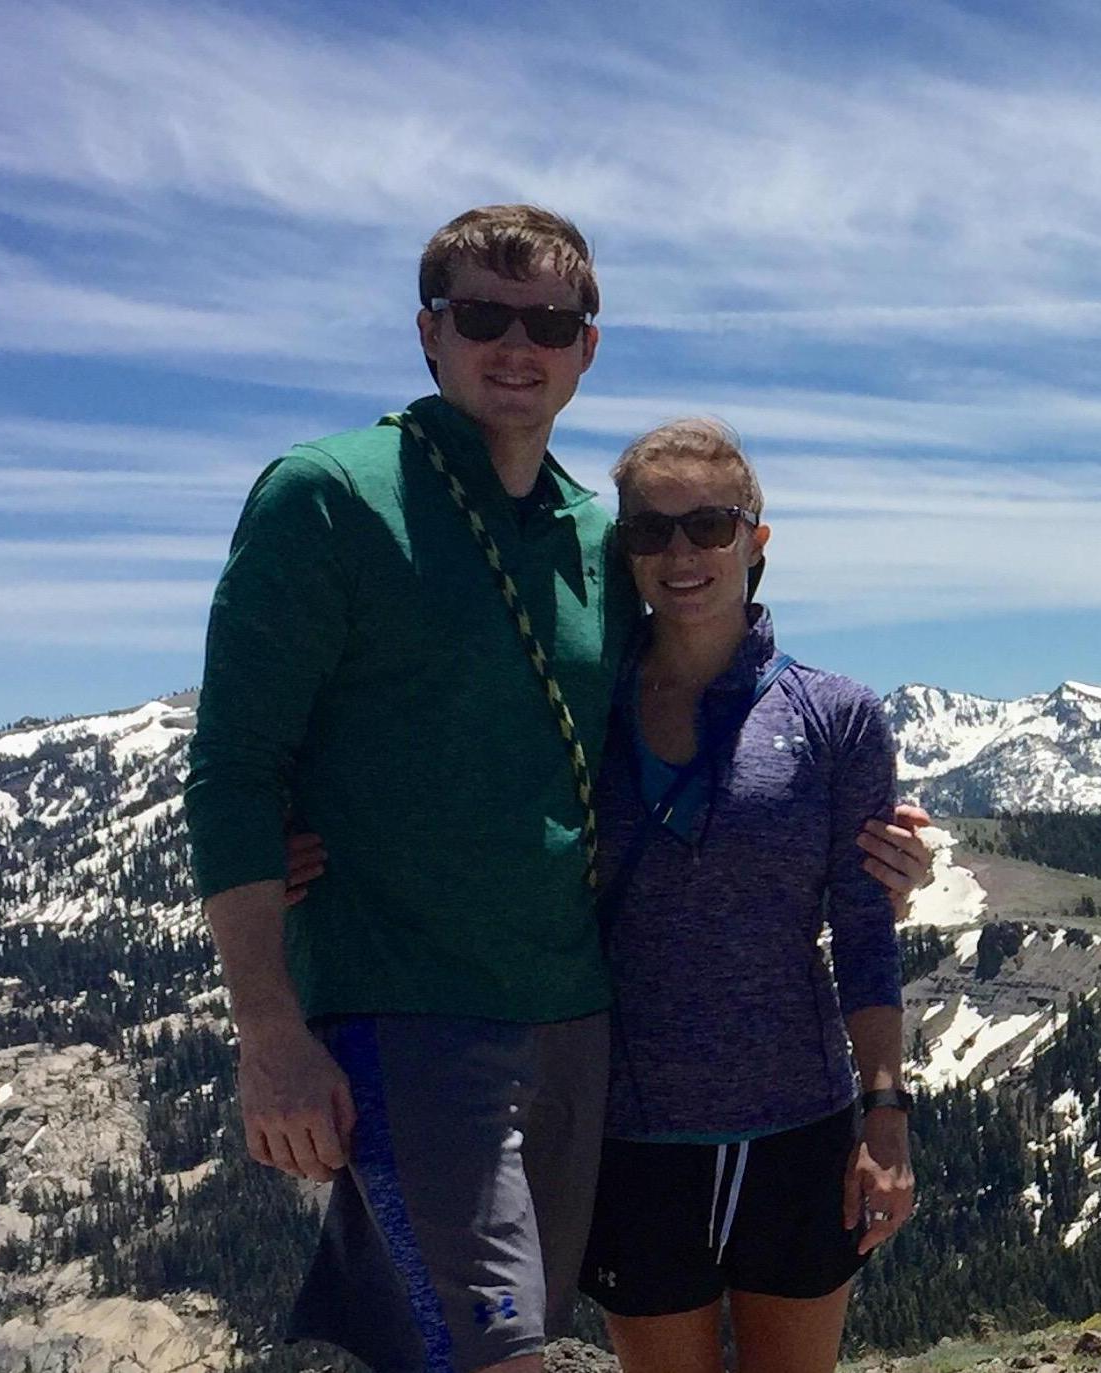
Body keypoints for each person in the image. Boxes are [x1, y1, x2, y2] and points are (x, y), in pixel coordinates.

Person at [188, 204, 931, 1373]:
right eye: (482, 314)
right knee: (495, 1353)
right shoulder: (327, 495)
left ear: (587, 346)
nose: (515, 344)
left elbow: (704, 713)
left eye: (547, 321)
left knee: (489, 1337)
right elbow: (233, 764)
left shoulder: (595, 538)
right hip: (414, 1009)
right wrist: (268, 1029)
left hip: (580, 1032)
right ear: (428, 332)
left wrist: (874, 852)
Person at [575, 419, 914, 1373]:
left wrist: (885, 1117)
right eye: (651, 530)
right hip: (629, 1130)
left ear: (754, 541)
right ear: (625, 551)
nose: (680, 553)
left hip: (799, 1125)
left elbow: (863, 930)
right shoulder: (582, 709)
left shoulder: (836, 715)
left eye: (709, 525)